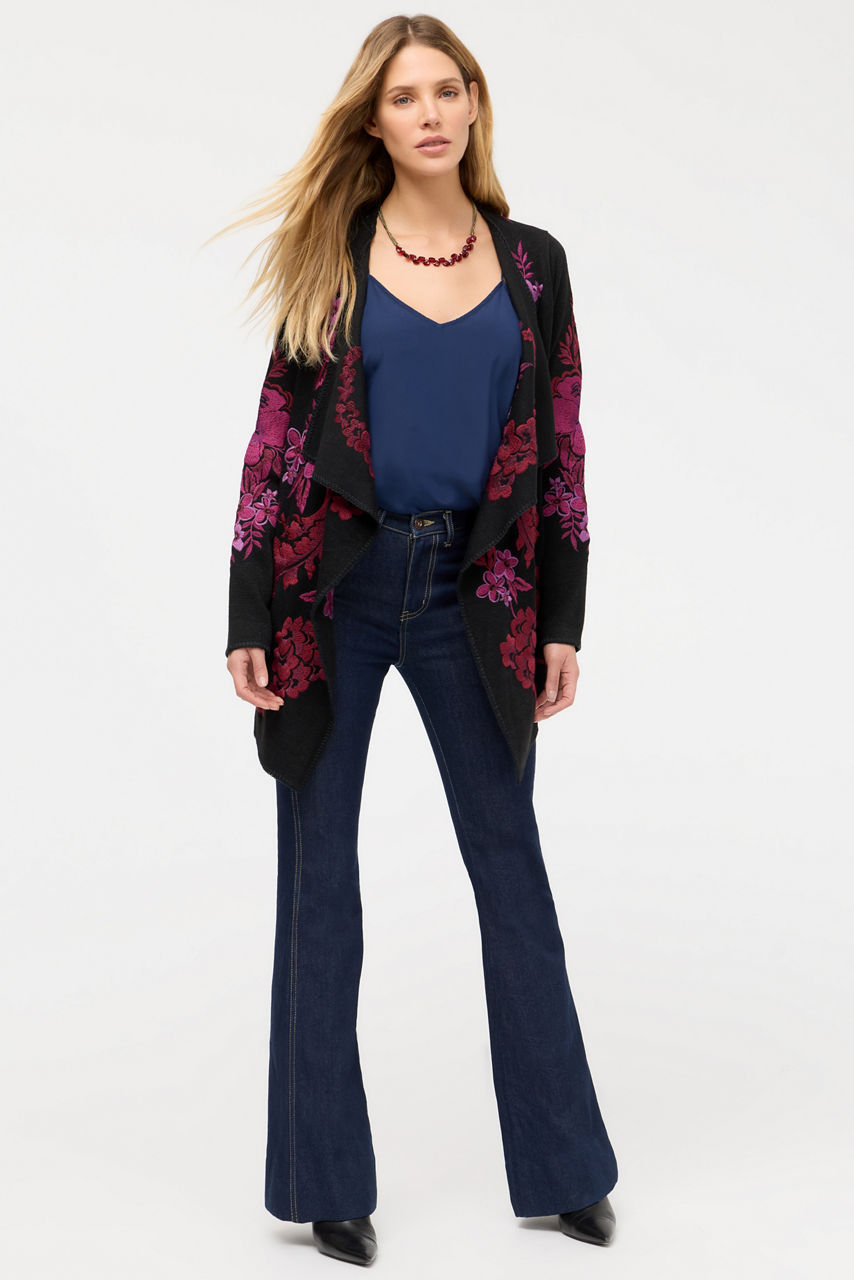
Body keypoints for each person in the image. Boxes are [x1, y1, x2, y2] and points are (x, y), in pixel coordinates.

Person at [217, 14, 619, 1267]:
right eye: (405, 97)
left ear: (473, 103)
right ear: (374, 119)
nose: (430, 113)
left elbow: (560, 450)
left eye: (448, 90)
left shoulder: (533, 264)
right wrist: (246, 611)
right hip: (332, 589)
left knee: (511, 872)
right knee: (317, 880)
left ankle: (563, 1170)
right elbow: (275, 439)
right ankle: (324, 1183)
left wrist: (561, 618)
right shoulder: (331, 254)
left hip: (475, 591)